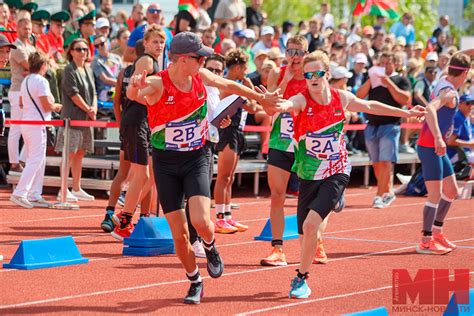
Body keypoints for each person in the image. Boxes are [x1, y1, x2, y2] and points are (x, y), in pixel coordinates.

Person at [127, 32, 278, 304]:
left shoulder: (201, 77)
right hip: (165, 161)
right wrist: (135, 85)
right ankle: (195, 280)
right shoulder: (158, 83)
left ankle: (209, 245)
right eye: (200, 58)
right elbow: (133, 92)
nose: (204, 62)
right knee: (180, 235)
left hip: (196, 156)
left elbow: (229, 85)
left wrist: (261, 98)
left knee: (201, 220)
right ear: (183, 59)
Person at [260, 50, 425, 299]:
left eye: (317, 74)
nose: (312, 79)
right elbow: (288, 104)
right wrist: (278, 103)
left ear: (326, 74)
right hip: (308, 173)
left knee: (310, 224)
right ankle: (331, 205)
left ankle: (301, 278)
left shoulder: (341, 97)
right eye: (307, 75)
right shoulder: (302, 99)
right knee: (306, 235)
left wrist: (407, 113)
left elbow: (370, 106)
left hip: (337, 170)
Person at [108, 25, 165, 240]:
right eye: (155, 42)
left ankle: (124, 216)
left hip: (143, 122)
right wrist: (156, 102)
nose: (159, 45)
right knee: (142, 174)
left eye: (162, 42)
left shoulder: (155, 62)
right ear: (146, 44)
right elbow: (133, 94)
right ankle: (123, 222)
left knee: (148, 175)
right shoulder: (147, 61)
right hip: (136, 121)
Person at [416, 53, 471, 255]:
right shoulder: (449, 93)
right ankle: (425, 240)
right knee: (435, 194)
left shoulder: (442, 81)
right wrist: (439, 137)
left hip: (437, 147)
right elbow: (430, 108)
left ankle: (437, 233)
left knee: (451, 191)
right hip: (430, 146)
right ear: (464, 73)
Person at [356, 51, 412, 208]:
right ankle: (388, 192)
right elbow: (359, 96)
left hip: (390, 125)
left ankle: (379, 196)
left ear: (395, 63)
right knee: (376, 164)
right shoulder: (373, 80)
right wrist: (370, 79)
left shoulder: (401, 79)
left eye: (388, 63)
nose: (384, 66)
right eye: (382, 63)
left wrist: (389, 83)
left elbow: (406, 99)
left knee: (386, 162)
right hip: (372, 125)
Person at [10, 52, 62, 209]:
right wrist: (57, 106)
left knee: (39, 159)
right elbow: (47, 106)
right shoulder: (41, 81)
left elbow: (20, 103)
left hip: (28, 122)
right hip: (36, 124)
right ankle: (20, 192)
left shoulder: (26, 80)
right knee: (36, 159)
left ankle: (34, 194)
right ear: (43, 66)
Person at [214, 48, 257, 234]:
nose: (247, 70)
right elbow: (251, 106)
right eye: (245, 67)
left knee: (230, 178)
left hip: (238, 132)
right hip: (227, 132)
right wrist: (247, 89)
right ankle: (219, 218)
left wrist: (249, 87)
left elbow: (253, 107)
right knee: (223, 177)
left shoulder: (239, 85)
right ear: (237, 67)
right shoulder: (226, 84)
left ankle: (228, 216)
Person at [55, 38, 97, 202]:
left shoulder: (88, 69)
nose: (83, 52)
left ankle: (77, 187)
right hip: (72, 118)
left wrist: (93, 108)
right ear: (71, 51)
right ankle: (63, 189)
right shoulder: (68, 70)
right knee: (69, 153)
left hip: (85, 119)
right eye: (79, 49)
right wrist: (89, 109)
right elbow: (73, 94)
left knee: (80, 152)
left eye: (85, 49)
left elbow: (93, 92)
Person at [8, 18, 35, 175]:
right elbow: (33, 66)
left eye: (29, 28)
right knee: (16, 129)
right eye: (25, 28)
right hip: (18, 90)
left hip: (28, 91)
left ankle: (22, 159)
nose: (28, 31)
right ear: (17, 29)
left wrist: (33, 70)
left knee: (30, 127)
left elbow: (41, 65)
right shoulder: (17, 47)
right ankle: (14, 162)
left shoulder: (30, 47)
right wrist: (33, 70)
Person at [91, 34, 122, 102]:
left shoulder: (117, 58)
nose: (100, 47)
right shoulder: (96, 61)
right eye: (97, 46)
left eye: (102, 44)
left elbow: (122, 74)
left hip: (119, 88)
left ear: (107, 42)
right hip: (105, 94)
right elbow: (105, 79)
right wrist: (121, 84)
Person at [447, 94, 474, 165]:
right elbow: (450, 141)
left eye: (472, 103)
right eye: (468, 103)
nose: (470, 106)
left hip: (467, 153)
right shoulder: (458, 118)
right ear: (460, 104)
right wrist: (470, 144)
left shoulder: (466, 117)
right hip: (456, 155)